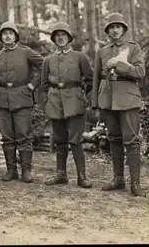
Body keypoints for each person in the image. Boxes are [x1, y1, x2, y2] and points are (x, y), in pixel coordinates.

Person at [91, 12, 146, 197]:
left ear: (123, 29)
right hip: (107, 100)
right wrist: (96, 104)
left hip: (128, 99)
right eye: (111, 27)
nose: (115, 30)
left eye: (118, 27)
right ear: (107, 31)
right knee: (114, 139)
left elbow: (140, 72)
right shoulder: (102, 51)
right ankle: (118, 179)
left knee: (131, 140)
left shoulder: (133, 48)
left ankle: (135, 183)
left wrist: (119, 65)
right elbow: (96, 79)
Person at [0, 21, 43, 183]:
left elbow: (44, 65)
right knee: (7, 137)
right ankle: (11, 170)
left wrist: (32, 85)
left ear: (16, 36)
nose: (7, 36)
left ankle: (26, 170)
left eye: (11, 33)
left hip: (22, 98)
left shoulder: (26, 52)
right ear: (1, 37)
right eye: (4, 33)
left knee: (23, 135)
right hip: (2, 99)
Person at [42, 21, 93, 189]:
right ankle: (61, 175)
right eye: (57, 35)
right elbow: (44, 84)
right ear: (53, 39)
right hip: (55, 101)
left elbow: (90, 80)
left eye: (63, 35)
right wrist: (47, 101)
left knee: (76, 139)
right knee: (59, 139)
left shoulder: (80, 57)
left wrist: (86, 99)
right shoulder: (48, 60)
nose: (61, 38)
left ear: (69, 38)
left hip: (74, 101)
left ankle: (81, 176)